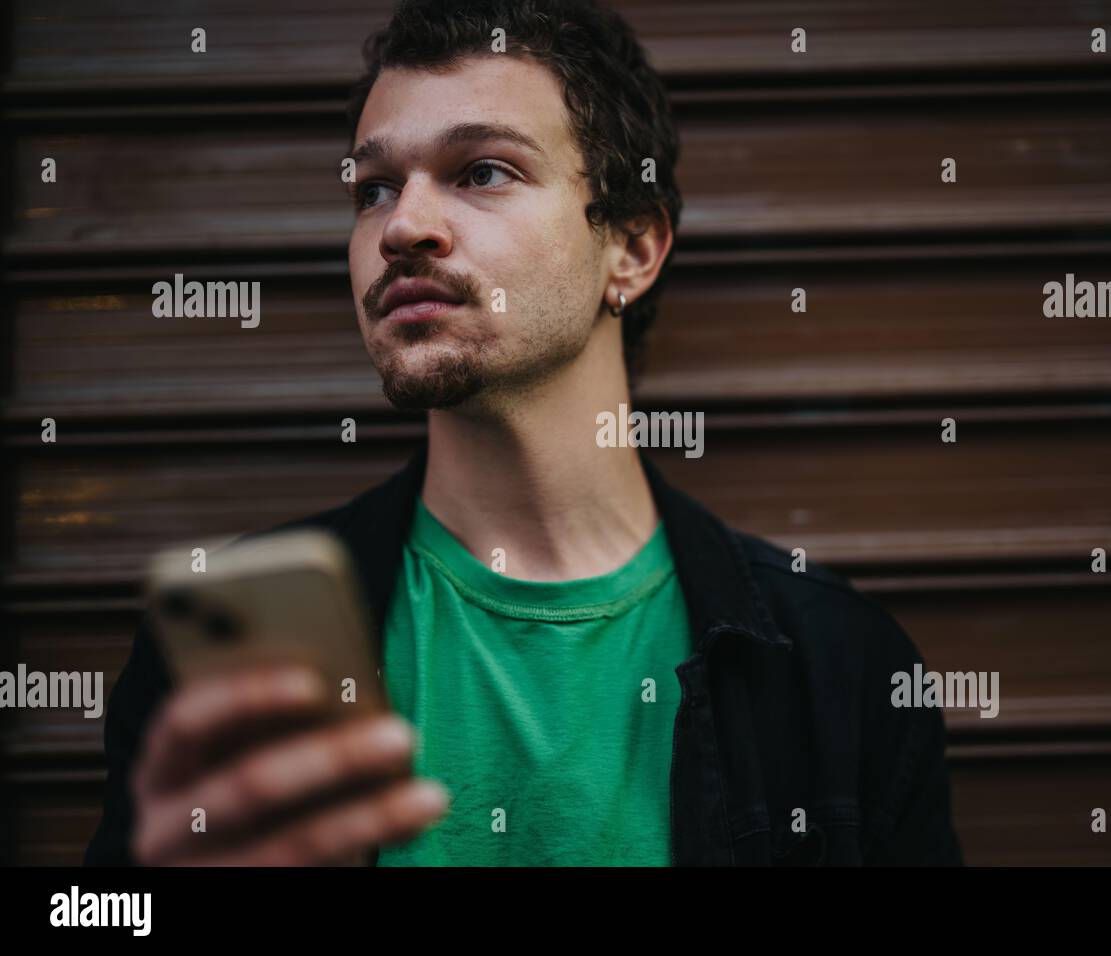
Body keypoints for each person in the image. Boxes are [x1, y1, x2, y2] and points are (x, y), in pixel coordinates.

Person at [85, 0, 961, 866]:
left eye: (483, 172)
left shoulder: (836, 669)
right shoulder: (233, 651)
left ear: (632, 248)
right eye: (373, 188)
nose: (402, 227)